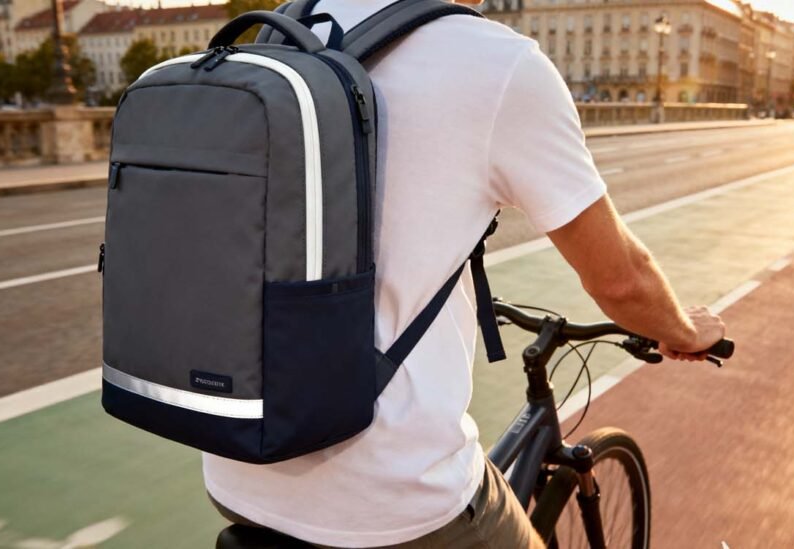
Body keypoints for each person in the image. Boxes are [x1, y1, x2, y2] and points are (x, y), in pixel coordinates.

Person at [204, 0, 726, 547]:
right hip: (394, 495)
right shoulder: (498, 64)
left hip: (237, 460)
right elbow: (622, 280)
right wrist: (683, 330)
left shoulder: (282, 28)